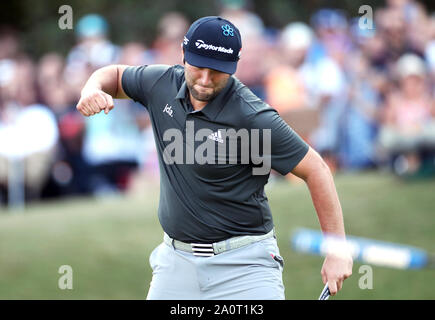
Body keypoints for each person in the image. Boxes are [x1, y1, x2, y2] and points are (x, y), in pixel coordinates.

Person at [76, 16, 352, 300]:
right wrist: (92, 88)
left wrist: (337, 251)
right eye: (198, 67)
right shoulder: (161, 84)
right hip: (175, 262)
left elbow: (317, 169)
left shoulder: (252, 115)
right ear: (184, 55)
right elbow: (116, 75)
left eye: (218, 71)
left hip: (244, 265)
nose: (206, 80)